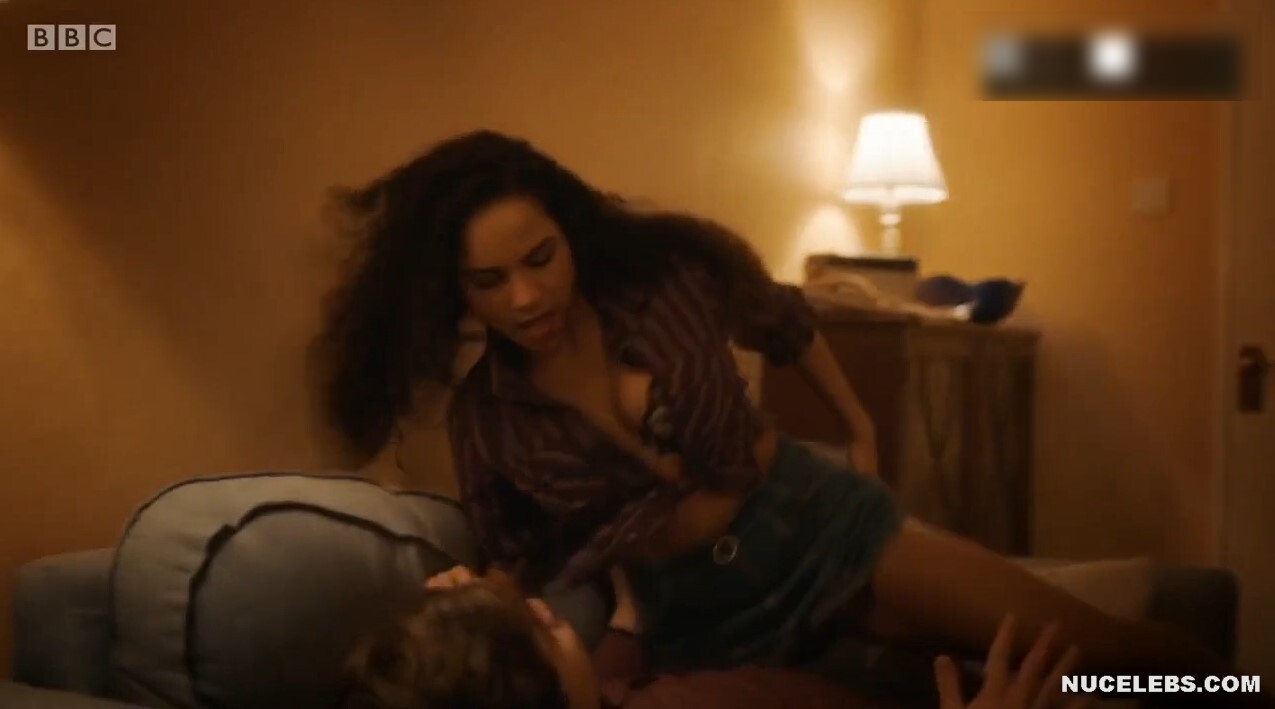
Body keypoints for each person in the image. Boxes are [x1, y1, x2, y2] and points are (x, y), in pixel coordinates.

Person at [312, 129, 1231, 682]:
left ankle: (1225, 689)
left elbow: (781, 320)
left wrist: (859, 426)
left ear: (570, 233)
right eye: (489, 281)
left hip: (815, 523)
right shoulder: (486, 418)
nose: (524, 296)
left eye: (539, 258)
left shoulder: (666, 277)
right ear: (454, 291)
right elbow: (517, 558)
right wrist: (470, 595)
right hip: (701, 620)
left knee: (1096, 655)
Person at [338, 564, 1092, 709]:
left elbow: (616, 649)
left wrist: (466, 614)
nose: (540, 609)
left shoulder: (594, 684)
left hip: (862, 665)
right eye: (538, 630)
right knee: (1115, 680)